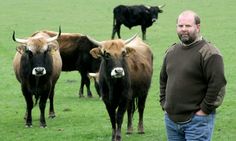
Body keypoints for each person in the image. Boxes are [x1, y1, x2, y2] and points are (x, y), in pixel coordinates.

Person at [159, 10, 227, 141]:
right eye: (180, 26)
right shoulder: (171, 51)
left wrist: (204, 111)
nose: (183, 29)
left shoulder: (209, 52)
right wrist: (164, 103)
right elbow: (163, 80)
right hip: (171, 121)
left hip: (197, 123)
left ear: (198, 27)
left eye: (188, 26)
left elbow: (217, 84)